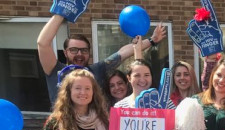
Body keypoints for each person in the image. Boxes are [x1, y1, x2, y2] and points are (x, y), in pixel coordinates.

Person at [37, 14, 166, 104]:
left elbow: (122, 53)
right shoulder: (54, 69)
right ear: (65, 52)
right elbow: (43, 44)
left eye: (84, 50)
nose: (79, 54)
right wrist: (61, 12)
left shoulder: (96, 70)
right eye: (74, 50)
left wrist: (152, 41)